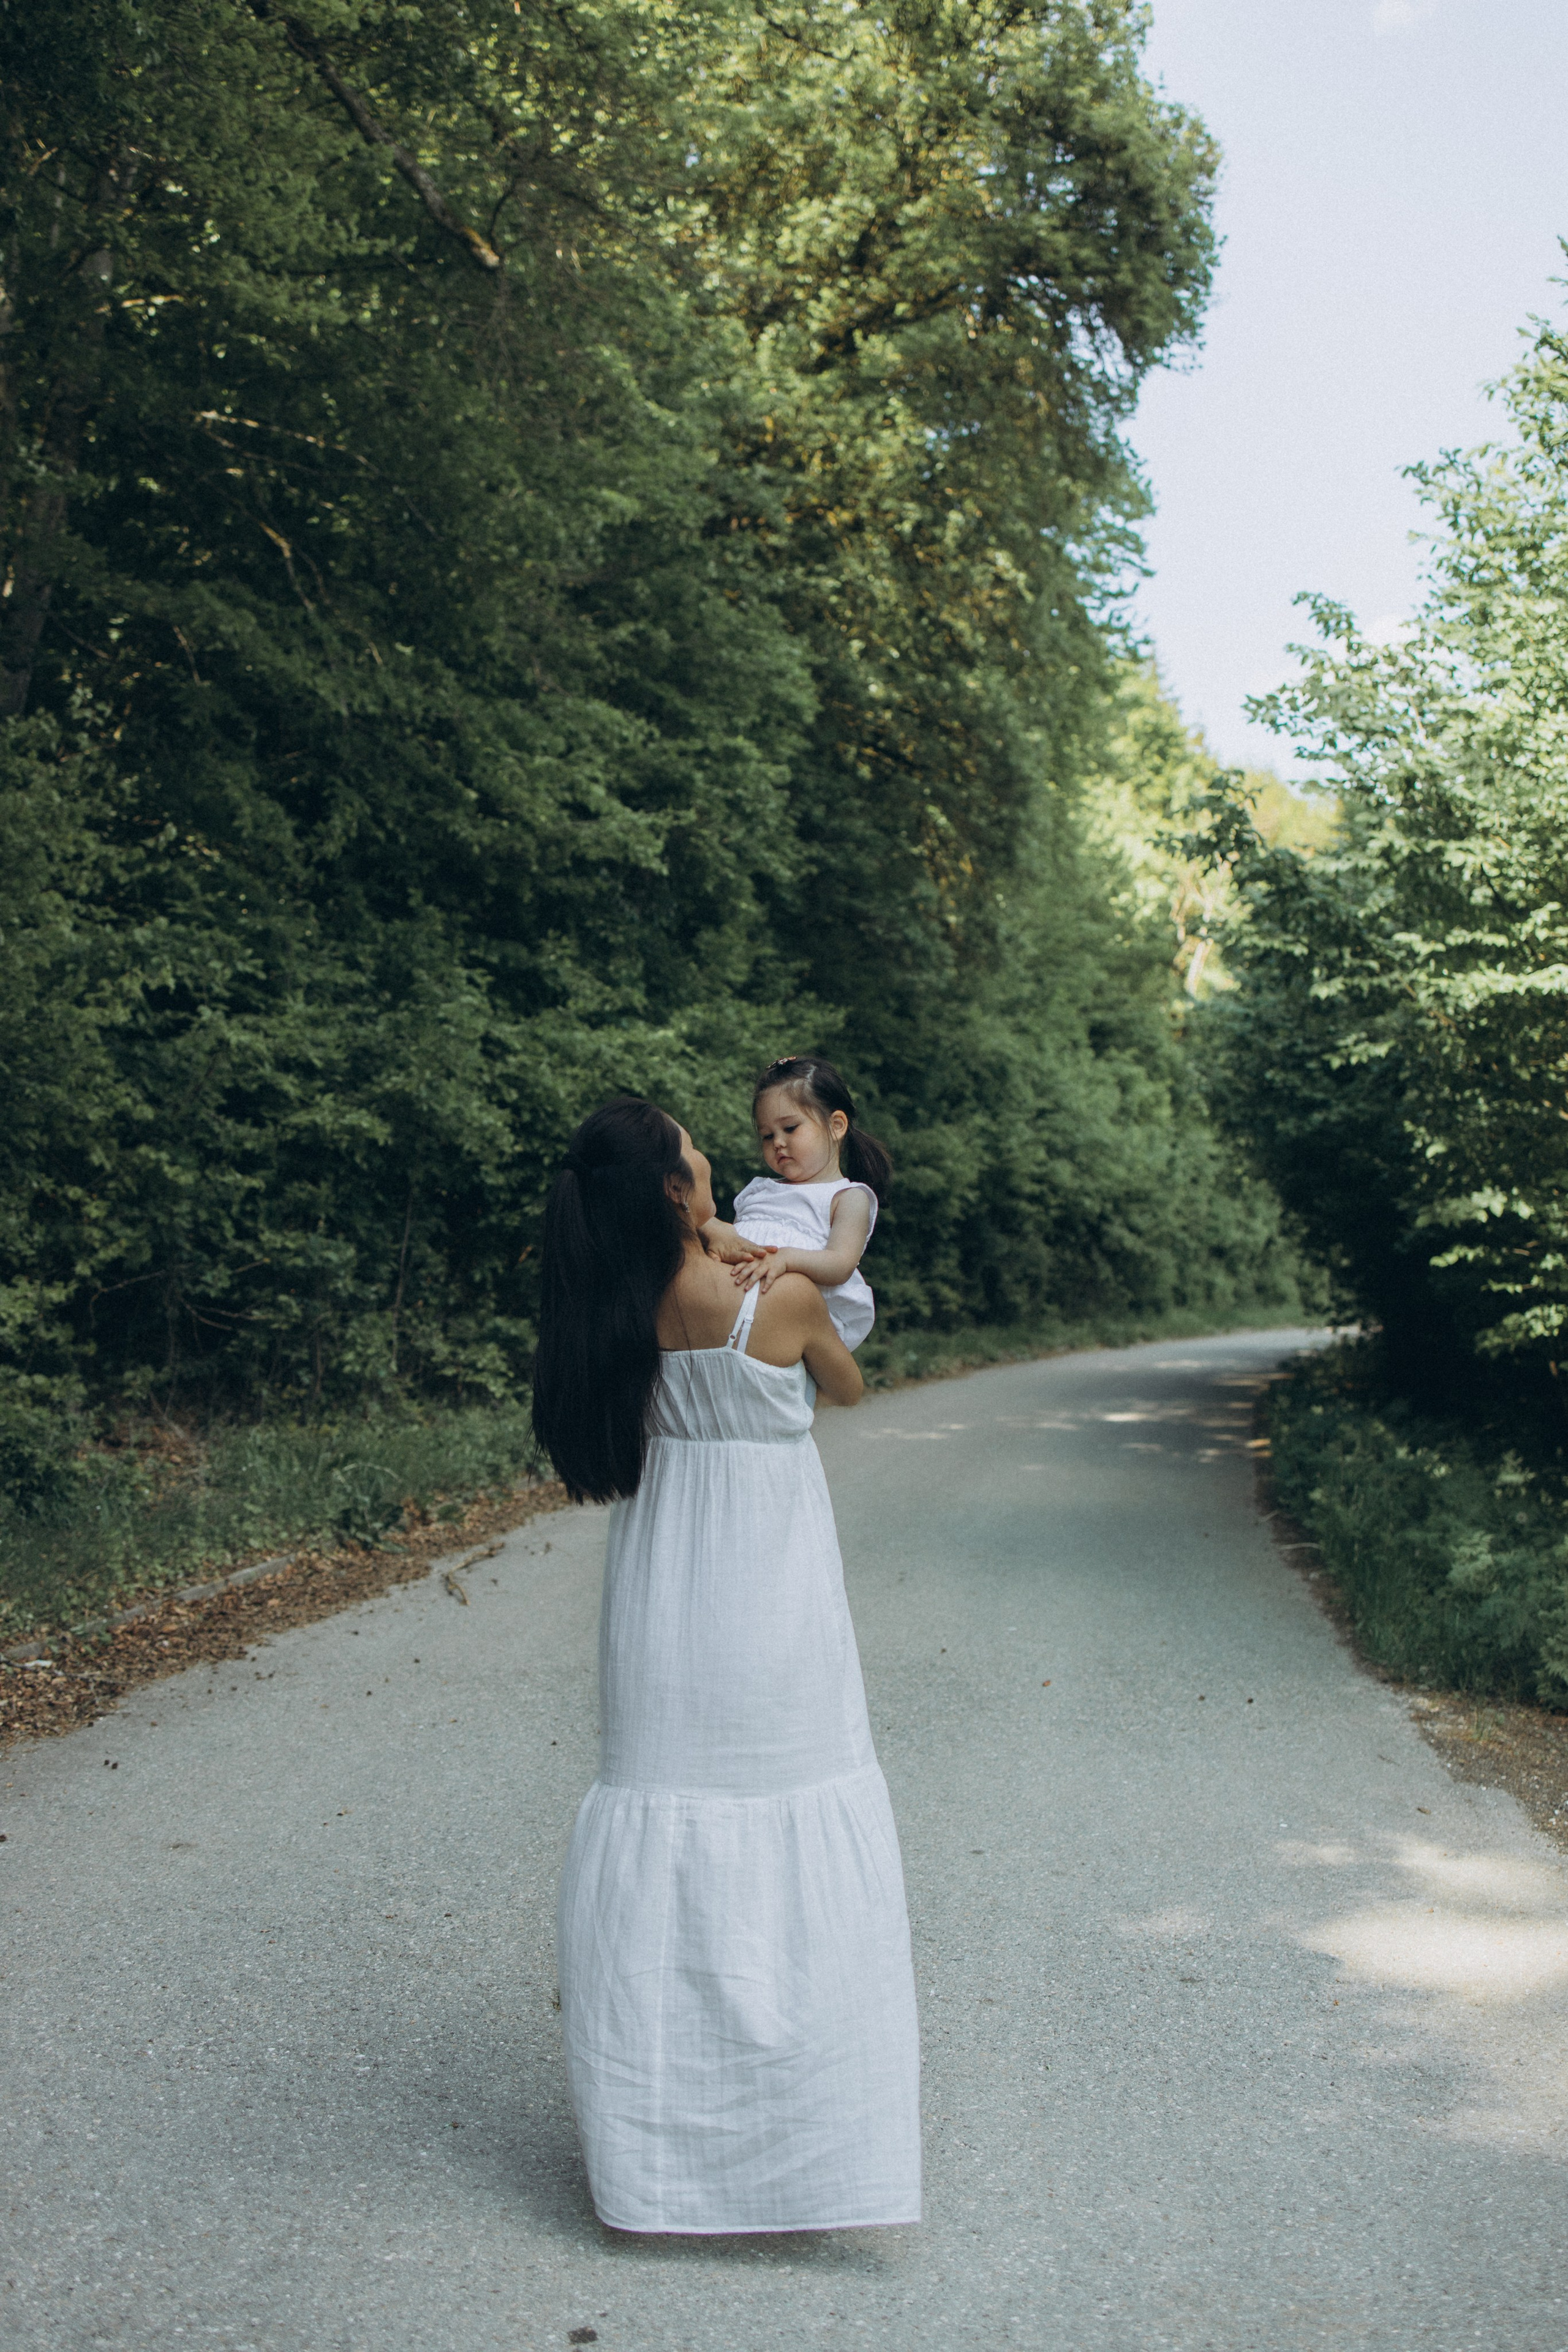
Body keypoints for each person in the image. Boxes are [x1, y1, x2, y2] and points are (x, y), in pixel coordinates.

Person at [532, 1094, 922, 2235]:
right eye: (701, 1159)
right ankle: (806, 2153)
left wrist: (718, 1239)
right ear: (672, 1190)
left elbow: (682, 1269)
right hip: (772, 1584)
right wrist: (775, 1273)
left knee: (668, 1820)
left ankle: (656, 2168)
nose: (719, 1165)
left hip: (660, 1586)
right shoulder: (783, 1298)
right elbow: (844, 1389)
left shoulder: (613, 1302)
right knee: (788, 1809)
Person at [702, 1055, 892, 1352]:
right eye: (767, 1135)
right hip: (732, 1312)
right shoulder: (758, 1191)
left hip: (794, 1327)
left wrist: (787, 1258)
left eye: (790, 1128)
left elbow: (840, 1264)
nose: (777, 1142)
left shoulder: (848, 1197)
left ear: (837, 1125)